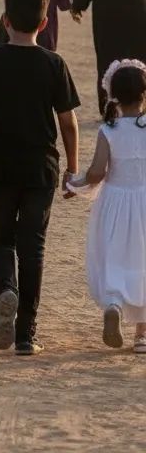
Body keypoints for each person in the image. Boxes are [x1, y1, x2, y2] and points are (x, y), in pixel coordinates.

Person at [0, 0, 80, 356]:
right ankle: (27, 331)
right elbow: (67, 122)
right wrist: (72, 168)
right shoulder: (53, 63)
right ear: (45, 22)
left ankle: (5, 291)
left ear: (5, 20)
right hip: (40, 167)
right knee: (34, 246)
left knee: (0, 238)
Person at [67, 61, 146, 354]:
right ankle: (142, 335)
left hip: (114, 200)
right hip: (143, 200)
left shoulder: (109, 130)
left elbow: (97, 172)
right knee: (143, 259)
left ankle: (113, 303)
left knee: (114, 253)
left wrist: (76, 184)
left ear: (112, 95)